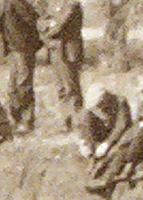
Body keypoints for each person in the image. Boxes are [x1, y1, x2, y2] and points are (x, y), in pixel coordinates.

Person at [0, 0, 43, 134]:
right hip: (16, 48)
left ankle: (25, 121)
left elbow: (32, 22)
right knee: (15, 86)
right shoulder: (9, 4)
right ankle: (16, 119)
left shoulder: (15, 3)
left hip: (21, 48)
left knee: (22, 84)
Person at [41, 0, 83, 131]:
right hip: (56, 50)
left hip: (68, 51)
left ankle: (79, 121)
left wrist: (47, 31)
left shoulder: (72, 4)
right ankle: (66, 121)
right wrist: (46, 27)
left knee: (71, 86)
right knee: (60, 87)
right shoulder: (53, 4)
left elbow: (61, 25)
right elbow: (41, 22)